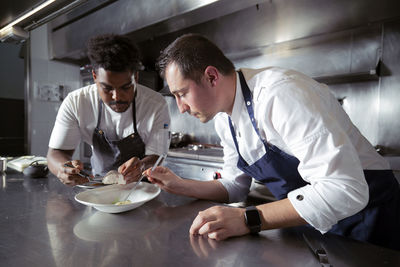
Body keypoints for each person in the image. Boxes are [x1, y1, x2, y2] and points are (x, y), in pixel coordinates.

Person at [146, 33, 400, 250]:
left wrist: (248, 219)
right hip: (311, 229)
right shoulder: (225, 118)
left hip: (368, 223)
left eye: (182, 94)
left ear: (212, 77)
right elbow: (236, 185)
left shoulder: (280, 94)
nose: (181, 108)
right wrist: (180, 185)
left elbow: (344, 188)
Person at [47, 34, 170, 186]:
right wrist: (63, 168)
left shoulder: (156, 104)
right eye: (107, 88)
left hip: (142, 188)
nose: (117, 96)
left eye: (126, 87)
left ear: (136, 78)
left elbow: (157, 155)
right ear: (94, 77)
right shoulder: (76, 102)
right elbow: (56, 153)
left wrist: (141, 166)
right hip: (98, 186)